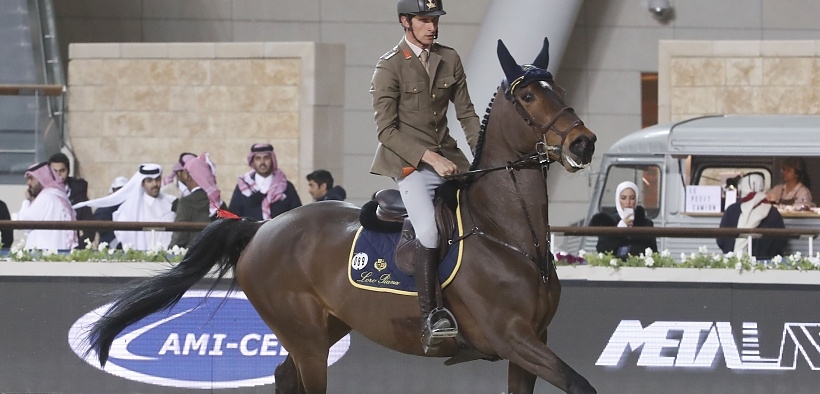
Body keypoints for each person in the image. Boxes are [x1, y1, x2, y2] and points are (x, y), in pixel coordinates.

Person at [369, 0, 480, 353]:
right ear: (406, 22)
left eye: (435, 20)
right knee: (429, 231)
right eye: (424, 20)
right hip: (410, 164)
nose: (432, 27)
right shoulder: (388, 67)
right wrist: (430, 157)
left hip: (450, 158)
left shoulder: (450, 58)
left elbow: (467, 115)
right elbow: (386, 131)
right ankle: (431, 317)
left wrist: (482, 156)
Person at [74, 164, 176, 251]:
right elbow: (123, 236)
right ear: (142, 183)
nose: (155, 184)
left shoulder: (171, 202)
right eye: (150, 180)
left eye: (157, 180)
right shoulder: (130, 207)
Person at [718, 173, 786, 259]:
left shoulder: (732, 210)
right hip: (764, 264)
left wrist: (729, 251)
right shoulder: (773, 212)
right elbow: (781, 242)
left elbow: (721, 239)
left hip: (732, 261)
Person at [228, 143, 301, 220]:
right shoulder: (243, 186)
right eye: (258, 158)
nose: (262, 162)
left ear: (272, 160)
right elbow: (232, 217)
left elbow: (298, 216)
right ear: (253, 161)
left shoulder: (286, 187)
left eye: (266, 158)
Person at [16, 162, 78, 250]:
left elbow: (23, 223)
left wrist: (27, 201)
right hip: (57, 253)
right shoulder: (59, 196)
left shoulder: (46, 197)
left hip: (44, 255)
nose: (28, 183)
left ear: (42, 178)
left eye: (31, 178)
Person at [589, 181, 658, 257]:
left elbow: (653, 252)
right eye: (623, 198)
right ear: (618, 199)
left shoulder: (646, 223)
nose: (628, 202)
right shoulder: (608, 222)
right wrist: (620, 229)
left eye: (632, 198)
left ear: (636, 200)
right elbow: (602, 250)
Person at [170, 153, 225, 248]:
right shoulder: (219, 203)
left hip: (193, 257)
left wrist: (169, 253)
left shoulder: (186, 202)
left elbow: (180, 236)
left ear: (189, 176)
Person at [48, 153, 94, 247]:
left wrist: (77, 248)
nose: (58, 175)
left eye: (62, 171)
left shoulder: (79, 196)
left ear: (68, 171)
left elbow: (90, 231)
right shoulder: (42, 193)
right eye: (54, 171)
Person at [92, 176, 128, 248]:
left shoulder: (132, 207)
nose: (120, 193)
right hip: (109, 248)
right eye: (118, 190)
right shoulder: (104, 209)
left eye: (123, 190)